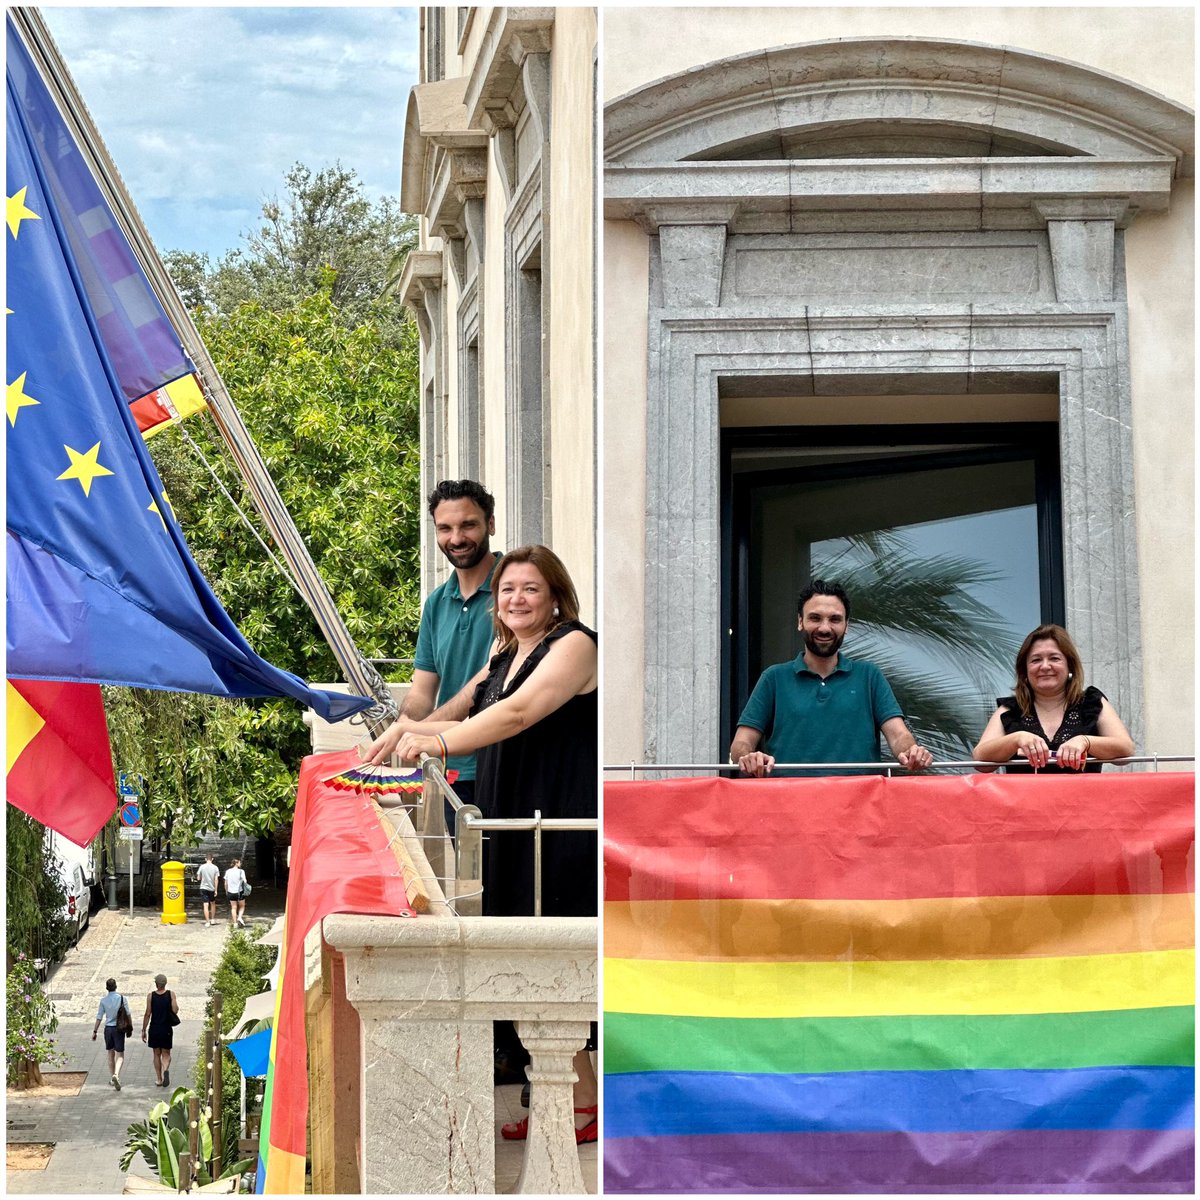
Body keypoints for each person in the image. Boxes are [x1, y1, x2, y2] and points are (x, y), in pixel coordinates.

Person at [364, 544, 598, 1144]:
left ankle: (581, 1100)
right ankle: (568, 1098)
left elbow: (518, 714)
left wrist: (437, 745)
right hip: (506, 822)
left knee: (552, 960)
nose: (516, 599)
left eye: (530, 589)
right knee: (521, 959)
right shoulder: (502, 651)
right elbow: (457, 711)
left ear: (555, 597)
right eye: (508, 589)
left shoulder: (574, 645)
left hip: (553, 827)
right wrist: (402, 731)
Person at [379, 479, 502, 815]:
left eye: (468, 525)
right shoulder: (436, 603)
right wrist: (400, 729)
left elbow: (487, 680)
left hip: (503, 762)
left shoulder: (514, 590)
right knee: (464, 867)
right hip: (451, 767)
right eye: (445, 528)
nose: (457, 538)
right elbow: (422, 691)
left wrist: (415, 731)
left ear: (491, 524)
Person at [730, 579, 933, 776]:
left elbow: (899, 735)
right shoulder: (774, 678)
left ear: (847, 625)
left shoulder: (869, 676)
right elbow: (740, 744)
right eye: (815, 618)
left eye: (835, 619)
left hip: (859, 805)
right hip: (789, 805)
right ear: (800, 622)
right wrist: (749, 757)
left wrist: (911, 751)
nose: (825, 628)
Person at [973, 623, 1134, 772]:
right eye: (1036, 660)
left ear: (1069, 666)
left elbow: (1126, 750)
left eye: (1054, 658)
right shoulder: (1011, 709)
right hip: (1024, 802)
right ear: (1025, 671)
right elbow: (980, 760)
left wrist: (1086, 741)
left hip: (1084, 801)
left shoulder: (1091, 703)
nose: (1045, 666)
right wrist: (1016, 739)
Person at [91, 977, 130, 1090]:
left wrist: (95, 1031)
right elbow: (128, 1014)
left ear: (107, 988)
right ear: (116, 986)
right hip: (119, 1029)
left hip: (108, 1029)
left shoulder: (103, 1001)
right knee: (120, 1054)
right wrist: (130, 1027)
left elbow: (99, 1017)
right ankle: (116, 1074)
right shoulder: (122, 999)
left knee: (110, 1054)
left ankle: (112, 1078)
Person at [142, 973, 179, 1088]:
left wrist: (144, 1029)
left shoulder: (151, 996)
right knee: (166, 1054)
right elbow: (175, 1010)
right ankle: (166, 1069)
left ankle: (159, 1079)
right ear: (165, 983)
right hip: (166, 1028)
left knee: (156, 1054)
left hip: (154, 1028)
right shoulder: (171, 994)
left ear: (156, 984)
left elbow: (148, 1013)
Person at [195, 853, 220, 927]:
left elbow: (198, 878)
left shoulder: (202, 867)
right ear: (212, 859)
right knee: (212, 903)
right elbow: (216, 879)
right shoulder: (215, 867)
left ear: (205, 859)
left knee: (205, 904)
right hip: (212, 888)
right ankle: (212, 919)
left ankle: (207, 921)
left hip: (203, 887)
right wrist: (216, 890)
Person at [224, 857, 248, 928]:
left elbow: (226, 883)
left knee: (233, 907)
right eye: (239, 862)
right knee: (242, 906)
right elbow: (245, 881)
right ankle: (240, 917)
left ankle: (235, 923)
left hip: (231, 891)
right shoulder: (241, 871)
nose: (240, 864)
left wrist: (226, 890)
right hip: (239, 891)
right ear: (237, 863)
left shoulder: (228, 871)